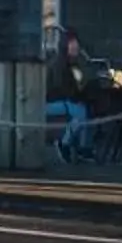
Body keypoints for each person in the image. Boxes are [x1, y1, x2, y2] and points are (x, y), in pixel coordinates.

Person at [45, 28, 94, 160]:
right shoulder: (58, 64)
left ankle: (84, 148)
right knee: (80, 111)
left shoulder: (75, 64)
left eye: (76, 43)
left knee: (86, 109)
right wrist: (77, 96)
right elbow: (61, 88)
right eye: (71, 43)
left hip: (67, 99)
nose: (75, 46)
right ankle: (64, 143)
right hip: (51, 102)